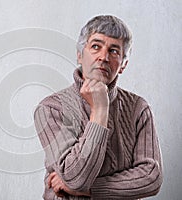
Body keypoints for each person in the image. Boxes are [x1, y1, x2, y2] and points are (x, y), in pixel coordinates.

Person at [34, 15, 163, 199]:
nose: (103, 57)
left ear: (123, 65)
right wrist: (100, 110)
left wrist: (90, 190)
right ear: (80, 54)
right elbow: (75, 178)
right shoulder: (51, 108)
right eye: (96, 46)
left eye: (114, 51)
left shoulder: (139, 108)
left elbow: (151, 178)